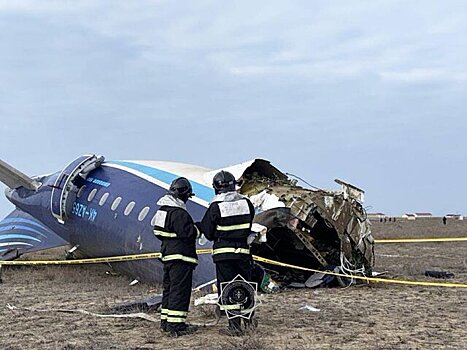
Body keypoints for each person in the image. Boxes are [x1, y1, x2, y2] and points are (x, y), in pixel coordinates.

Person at [197, 170, 256, 335]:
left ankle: (235, 327)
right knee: (245, 285)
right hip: (243, 252)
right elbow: (249, 225)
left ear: (216, 187)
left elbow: (207, 232)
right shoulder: (247, 203)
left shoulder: (216, 206)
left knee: (229, 288)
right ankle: (249, 321)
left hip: (224, 254)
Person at [153, 177, 200, 337]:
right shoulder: (179, 213)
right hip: (181, 258)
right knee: (180, 291)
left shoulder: (162, 210)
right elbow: (188, 233)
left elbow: (157, 232)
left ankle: (166, 323)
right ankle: (176, 326)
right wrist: (198, 228)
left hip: (167, 256)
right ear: (184, 195)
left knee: (169, 289)